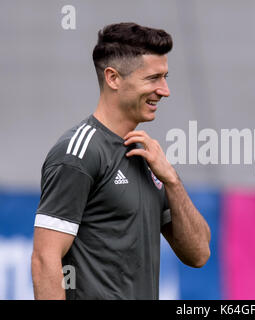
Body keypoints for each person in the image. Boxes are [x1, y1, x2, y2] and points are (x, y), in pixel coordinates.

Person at [31, 22, 211, 300]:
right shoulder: (78, 152)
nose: (165, 90)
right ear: (113, 78)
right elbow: (45, 259)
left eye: (165, 77)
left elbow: (199, 253)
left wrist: (172, 181)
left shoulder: (147, 156)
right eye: (153, 78)